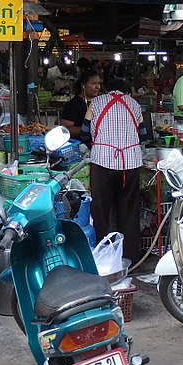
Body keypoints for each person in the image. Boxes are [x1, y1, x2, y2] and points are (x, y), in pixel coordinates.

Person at [83, 78, 147, 262]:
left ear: (106, 90)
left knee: (101, 210)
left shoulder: (96, 103)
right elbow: (143, 134)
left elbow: (86, 132)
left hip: (102, 162)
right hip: (130, 163)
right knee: (129, 210)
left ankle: (101, 256)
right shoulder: (134, 104)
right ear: (125, 91)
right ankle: (130, 257)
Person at [61, 71, 102, 137]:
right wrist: (89, 130)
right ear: (83, 85)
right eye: (94, 83)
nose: (98, 87)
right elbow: (66, 129)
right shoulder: (73, 104)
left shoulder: (100, 103)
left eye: (99, 83)